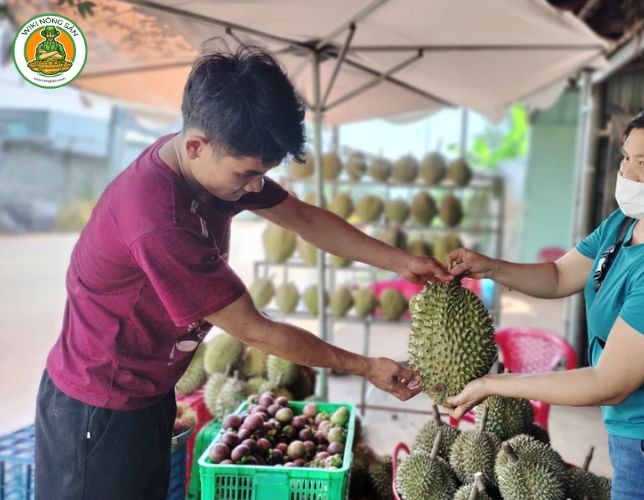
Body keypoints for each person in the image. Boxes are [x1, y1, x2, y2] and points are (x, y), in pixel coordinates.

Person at [34, 46, 449, 500]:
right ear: (196, 145)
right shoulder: (158, 220)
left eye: (263, 172)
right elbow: (258, 331)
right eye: (249, 173)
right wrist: (365, 366)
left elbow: (302, 217)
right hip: (99, 407)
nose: (256, 186)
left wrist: (403, 263)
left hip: (147, 391)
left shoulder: (205, 166)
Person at [445, 97, 644, 499]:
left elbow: (609, 383)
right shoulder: (629, 221)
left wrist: (495, 384)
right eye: (626, 158)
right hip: (638, 426)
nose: (628, 173)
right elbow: (558, 276)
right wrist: (489, 267)